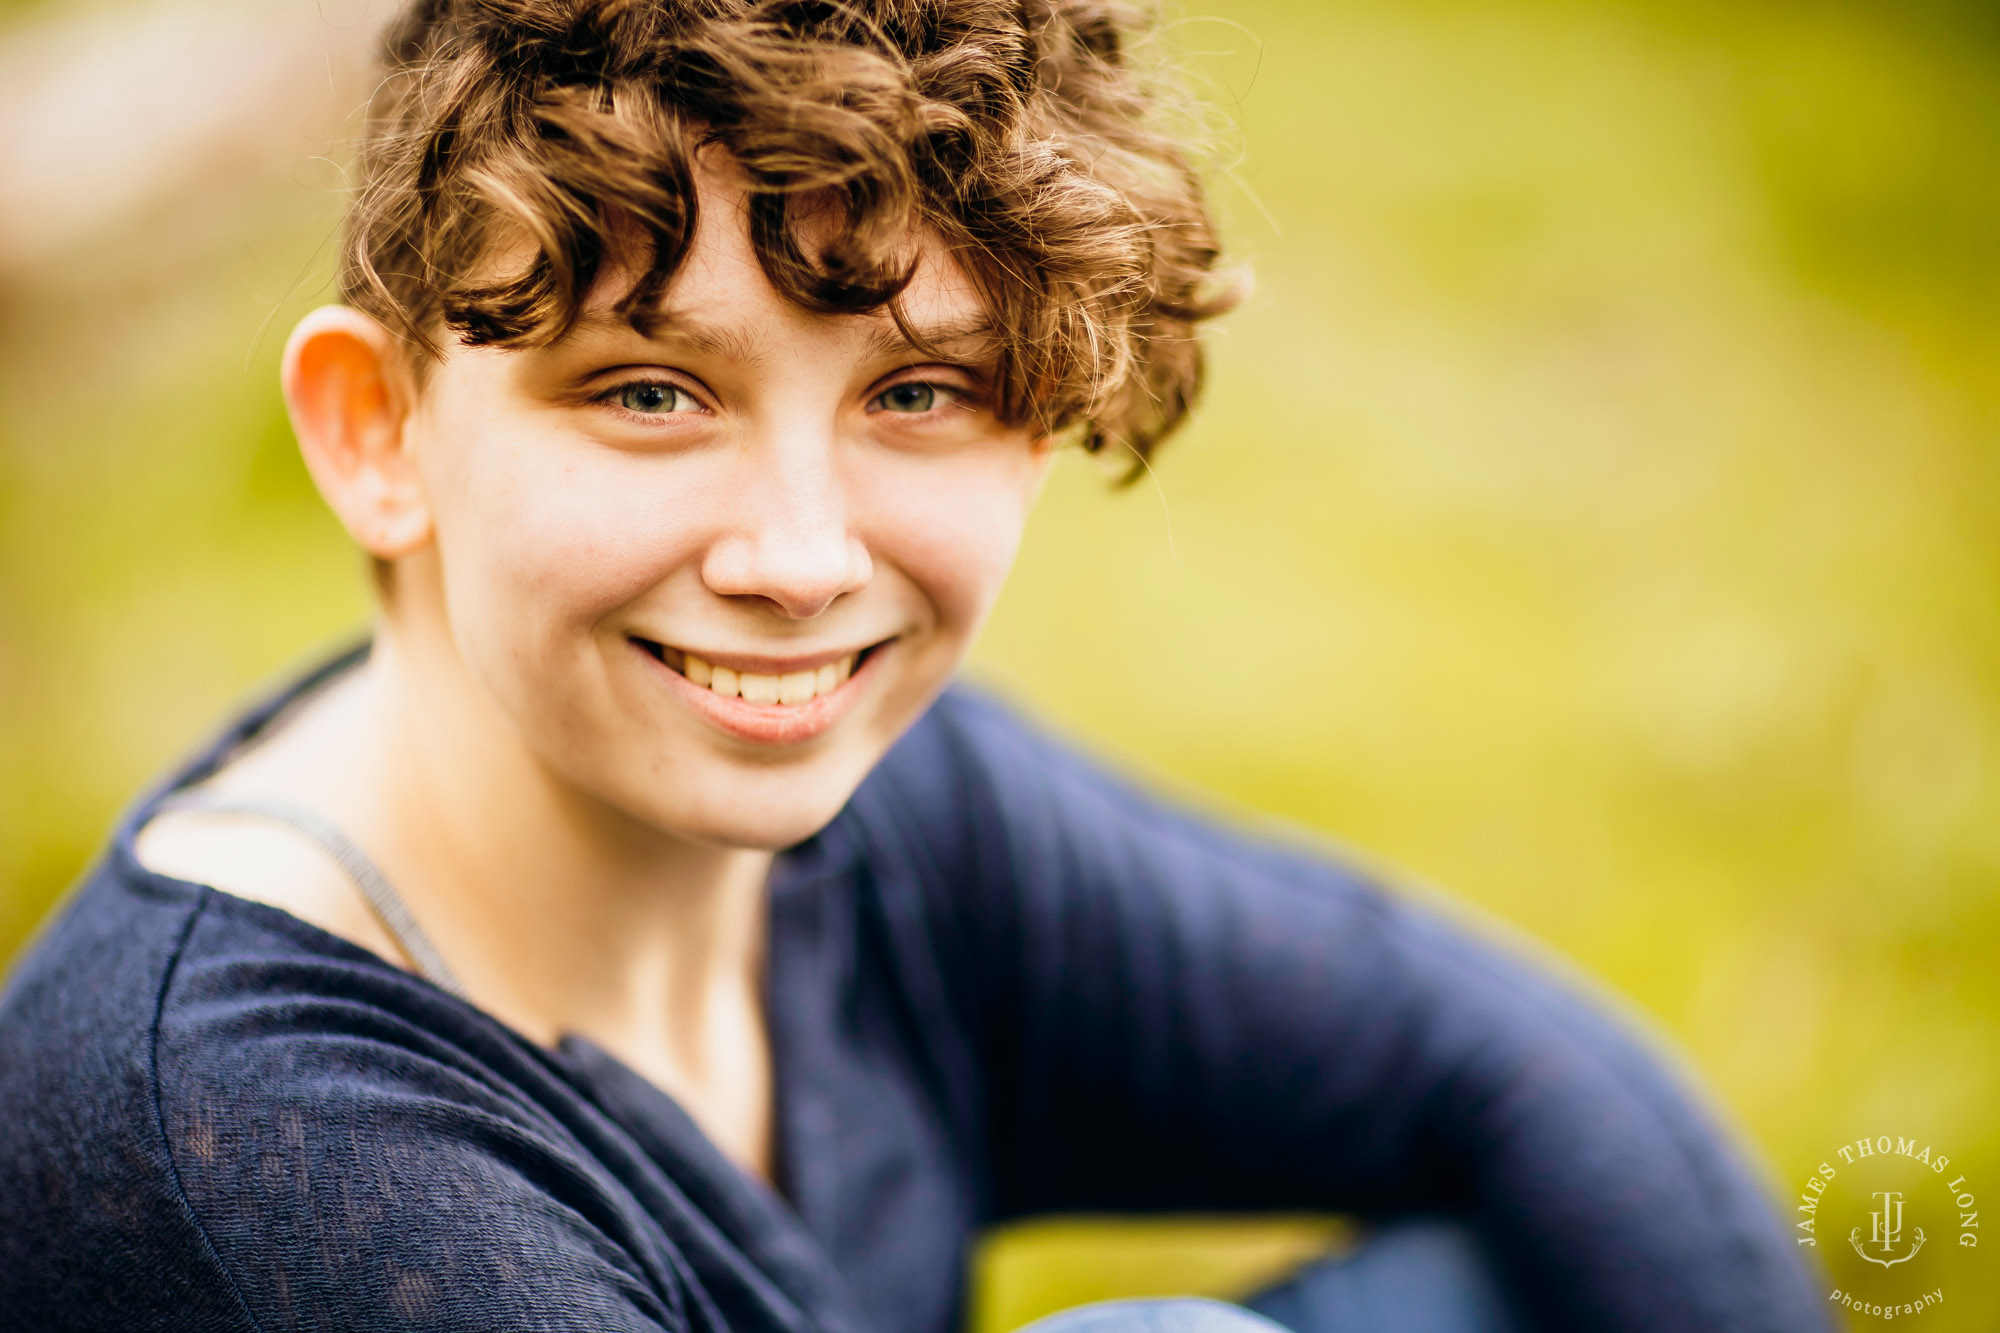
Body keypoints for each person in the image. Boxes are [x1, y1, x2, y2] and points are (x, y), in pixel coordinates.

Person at [0, 2, 1828, 1330]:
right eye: (650, 390)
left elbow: (1526, 1075)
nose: (799, 563)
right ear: (376, 428)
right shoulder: (258, 1154)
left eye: (919, 391)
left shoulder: (886, 810)